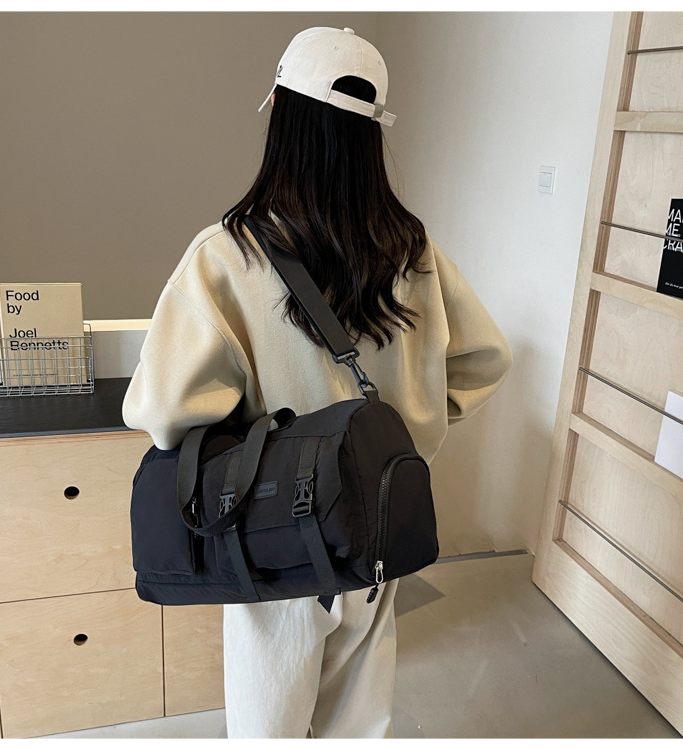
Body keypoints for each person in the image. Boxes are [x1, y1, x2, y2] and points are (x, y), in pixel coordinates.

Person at [122, 26, 512, 739]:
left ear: (279, 109)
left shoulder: (228, 255)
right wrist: (414, 428)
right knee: (358, 720)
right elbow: (484, 359)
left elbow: (168, 413)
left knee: (268, 724)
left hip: (274, 533)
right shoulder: (411, 248)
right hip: (375, 518)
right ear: (373, 133)